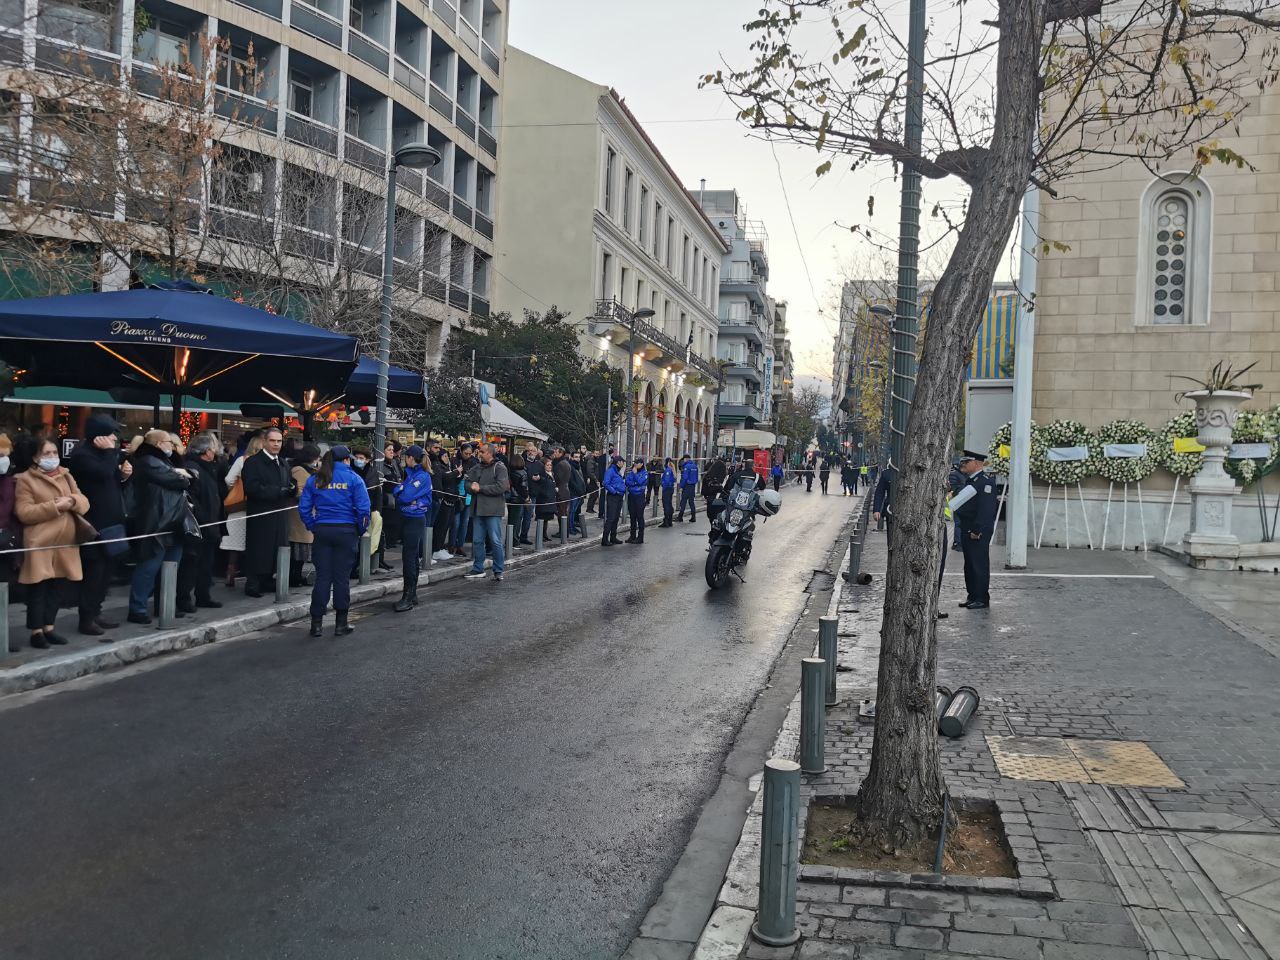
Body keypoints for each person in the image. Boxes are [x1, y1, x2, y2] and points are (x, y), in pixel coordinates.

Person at [14, 436, 90, 648]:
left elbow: (84, 501)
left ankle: (49, 627)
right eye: (46, 453)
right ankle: (36, 632)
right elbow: (24, 512)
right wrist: (55, 506)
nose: (52, 457)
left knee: (58, 588)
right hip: (40, 541)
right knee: (38, 589)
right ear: (35, 457)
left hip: (66, 542)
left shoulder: (66, 475)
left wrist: (71, 501)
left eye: (55, 453)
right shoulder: (26, 479)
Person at [66, 414, 130, 636]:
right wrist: (112, 453)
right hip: (94, 524)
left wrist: (124, 476)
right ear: (99, 435)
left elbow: (112, 482)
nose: (114, 439)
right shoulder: (82, 456)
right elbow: (102, 473)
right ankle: (86, 618)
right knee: (94, 572)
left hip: (112, 523)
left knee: (106, 573)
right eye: (111, 434)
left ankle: (96, 611)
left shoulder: (105, 456)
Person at [299, 445, 370, 636]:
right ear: (347, 460)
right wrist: (359, 529)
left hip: (322, 530)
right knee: (341, 578)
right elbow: (364, 510)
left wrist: (313, 526)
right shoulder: (354, 479)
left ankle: (316, 625)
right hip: (346, 531)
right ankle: (341, 624)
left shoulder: (316, 478)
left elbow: (304, 508)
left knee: (322, 577)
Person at [125, 430, 191, 624]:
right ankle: (137, 608)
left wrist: (182, 477)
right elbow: (179, 480)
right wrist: (183, 477)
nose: (172, 445)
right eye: (168, 442)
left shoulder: (163, 461)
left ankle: (165, 605)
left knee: (170, 566)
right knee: (149, 566)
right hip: (155, 521)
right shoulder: (148, 460)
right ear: (158, 444)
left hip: (172, 519)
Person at [241, 428, 295, 598]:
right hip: (261, 513)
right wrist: (278, 491)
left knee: (276, 547)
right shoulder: (253, 462)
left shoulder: (283, 462)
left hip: (280, 513)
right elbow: (251, 488)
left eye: (279, 441)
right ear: (264, 442)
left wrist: (292, 488)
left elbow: (289, 482)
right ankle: (253, 583)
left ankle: (267, 579)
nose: (276, 444)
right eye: (273, 441)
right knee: (259, 548)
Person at [177, 433, 224, 613]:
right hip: (198, 524)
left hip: (210, 522)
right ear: (207, 451)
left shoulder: (209, 467)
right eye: (213, 448)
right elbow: (191, 498)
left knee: (206, 563)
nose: (216, 452)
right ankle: (184, 599)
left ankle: (203, 595)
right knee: (191, 564)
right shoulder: (192, 467)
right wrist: (203, 518)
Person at [954, 450, 998, 610]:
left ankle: (981, 598)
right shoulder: (971, 480)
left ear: (977, 463)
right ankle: (972, 595)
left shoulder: (985, 482)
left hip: (977, 530)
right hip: (967, 528)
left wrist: (977, 530)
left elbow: (986, 510)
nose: (963, 464)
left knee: (979, 564)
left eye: (967, 461)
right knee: (969, 564)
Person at [392, 444, 432, 612]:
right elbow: (398, 490)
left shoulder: (421, 476)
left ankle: (408, 597)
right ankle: (411, 595)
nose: (403, 460)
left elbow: (404, 496)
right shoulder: (412, 475)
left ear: (411, 458)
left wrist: (402, 491)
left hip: (414, 519)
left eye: (405, 457)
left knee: (409, 557)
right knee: (411, 556)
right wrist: (401, 490)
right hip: (408, 517)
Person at [219, 432, 262, 587]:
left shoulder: (241, 460)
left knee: (234, 546)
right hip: (257, 506)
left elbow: (229, 479)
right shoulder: (264, 463)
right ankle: (251, 575)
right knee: (255, 542)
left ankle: (230, 574)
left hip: (239, 507)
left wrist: (236, 489)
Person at [463, 443, 510, 583]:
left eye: (482, 452)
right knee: (477, 541)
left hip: (493, 511)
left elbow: (501, 487)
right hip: (477, 510)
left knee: (495, 541)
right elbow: (467, 483)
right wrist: (471, 487)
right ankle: (478, 568)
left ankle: (498, 570)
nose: (480, 454)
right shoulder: (476, 467)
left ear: (490, 453)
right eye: (480, 451)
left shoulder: (500, 467)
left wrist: (480, 488)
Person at [284, 441, 320, 588]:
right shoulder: (299, 470)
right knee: (297, 550)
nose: (318, 460)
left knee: (302, 551)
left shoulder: (309, 470)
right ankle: (293, 577)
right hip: (297, 516)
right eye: (317, 457)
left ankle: (297, 575)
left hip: (305, 514)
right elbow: (296, 491)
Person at [430, 442, 458, 561]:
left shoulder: (443, 465)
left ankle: (439, 548)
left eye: (447, 456)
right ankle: (434, 550)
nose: (447, 458)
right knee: (438, 526)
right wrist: (456, 472)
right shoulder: (436, 464)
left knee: (445, 525)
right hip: (440, 498)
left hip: (447, 498)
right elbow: (444, 478)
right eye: (444, 456)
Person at [0, 434, 20, 592]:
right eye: (1, 455)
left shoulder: (10, 480)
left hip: (5, 541)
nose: (4, 460)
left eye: (6, 455)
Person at [451, 444, 475, 556]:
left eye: (470, 454)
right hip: (457, 495)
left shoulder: (473, 462)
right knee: (455, 523)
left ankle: (460, 545)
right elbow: (452, 477)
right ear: (461, 451)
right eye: (466, 453)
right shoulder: (454, 461)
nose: (468, 455)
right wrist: (461, 475)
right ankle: (452, 545)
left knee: (465, 523)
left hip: (468, 495)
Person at [380, 440, 404, 549]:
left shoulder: (394, 462)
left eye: (392, 450)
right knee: (387, 529)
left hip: (396, 500)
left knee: (395, 527)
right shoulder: (380, 465)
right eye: (389, 450)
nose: (391, 452)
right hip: (386, 502)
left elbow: (399, 477)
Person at [601, 454, 626, 546]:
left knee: (616, 518)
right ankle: (605, 539)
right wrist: (614, 492)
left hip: (619, 496)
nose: (623, 464)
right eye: (622, 462)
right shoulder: (611, 471)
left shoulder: (617, 471)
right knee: (611, 518)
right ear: (618, 462)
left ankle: (613, 537)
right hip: (613, 496)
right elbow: (606, 483)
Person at [506, 452, 528, 551]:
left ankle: (509, 540)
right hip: (518, 499)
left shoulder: (509, 471)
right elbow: (524, 488)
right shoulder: (523, 473)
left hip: (510, 498)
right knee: (516, 521)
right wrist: (526, 497)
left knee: (511, 520)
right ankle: (514, 541)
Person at [624, 458, 649, 544]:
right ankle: (632, 536)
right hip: (631, 496)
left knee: (639, 517)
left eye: (637, 463)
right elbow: (627, 482)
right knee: (632, 517)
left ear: (641, 464)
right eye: (635, 463)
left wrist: (635, 475)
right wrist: (635, 483)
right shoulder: (631, 472)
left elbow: (640, 482)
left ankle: (640, 537)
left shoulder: (644, 473)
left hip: (639, 497)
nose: (635, 464)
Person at [872, 458, 897, 532]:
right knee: (891, 533)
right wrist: (876, 510)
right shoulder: (886, 474)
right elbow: (879, 492)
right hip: (890, 509)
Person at [568, 451, 587, 536]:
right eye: (575, 457)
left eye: (578, 457)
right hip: (574, 493)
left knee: (574, 511)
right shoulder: (571, 466)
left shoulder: (577, 466)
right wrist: (579, 490)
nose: (578, 458)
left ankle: (572, 527)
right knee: (571, 511)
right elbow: (571, 481)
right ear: (571, 457)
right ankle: (570, 528)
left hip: (579, 493)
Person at [676, 453, 699, 522]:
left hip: (687, 486)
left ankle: (680, 517)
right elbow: (697, 478)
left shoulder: (686, 467)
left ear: (686, 459)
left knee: (683, 501)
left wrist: (681, 486)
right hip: (692, 486)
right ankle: (693, 517)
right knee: (691, 502)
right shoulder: (695, 466)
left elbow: (684, 478)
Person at [584, 449, 601, 517]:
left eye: (598, 454)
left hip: (595, 480)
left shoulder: (595, 460)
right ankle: (589, 508)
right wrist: (595, 479)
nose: (597, 455)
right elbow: (590, 471)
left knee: (595, 495)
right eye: (596, 453)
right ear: (593, 453)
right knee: (593, 495)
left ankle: (591, 508)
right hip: (592, 480)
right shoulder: (591, 461)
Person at [659, 457, 677, 527]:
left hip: (667, 489)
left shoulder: (668, 470)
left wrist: (662, 484)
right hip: (670, 488)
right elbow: (674, 479)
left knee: (666, 504)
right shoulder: (672, 469)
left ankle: (666, 521)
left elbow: (666, 481)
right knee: (669, 504)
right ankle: (670, 520)